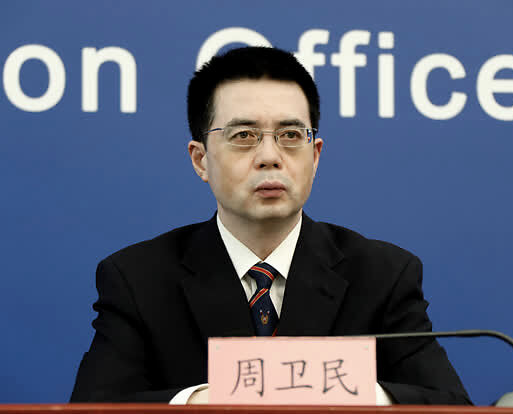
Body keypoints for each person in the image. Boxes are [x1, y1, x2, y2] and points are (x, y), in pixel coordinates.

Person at [70, 46, 471, 405]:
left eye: (290, 135)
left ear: (315, 156)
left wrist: (354, 393)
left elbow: (449, 405)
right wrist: (203, 401)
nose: (269, 156)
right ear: (200, 160)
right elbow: (95, 407)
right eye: (244, 135)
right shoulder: (139, 279)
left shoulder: (382, 275)